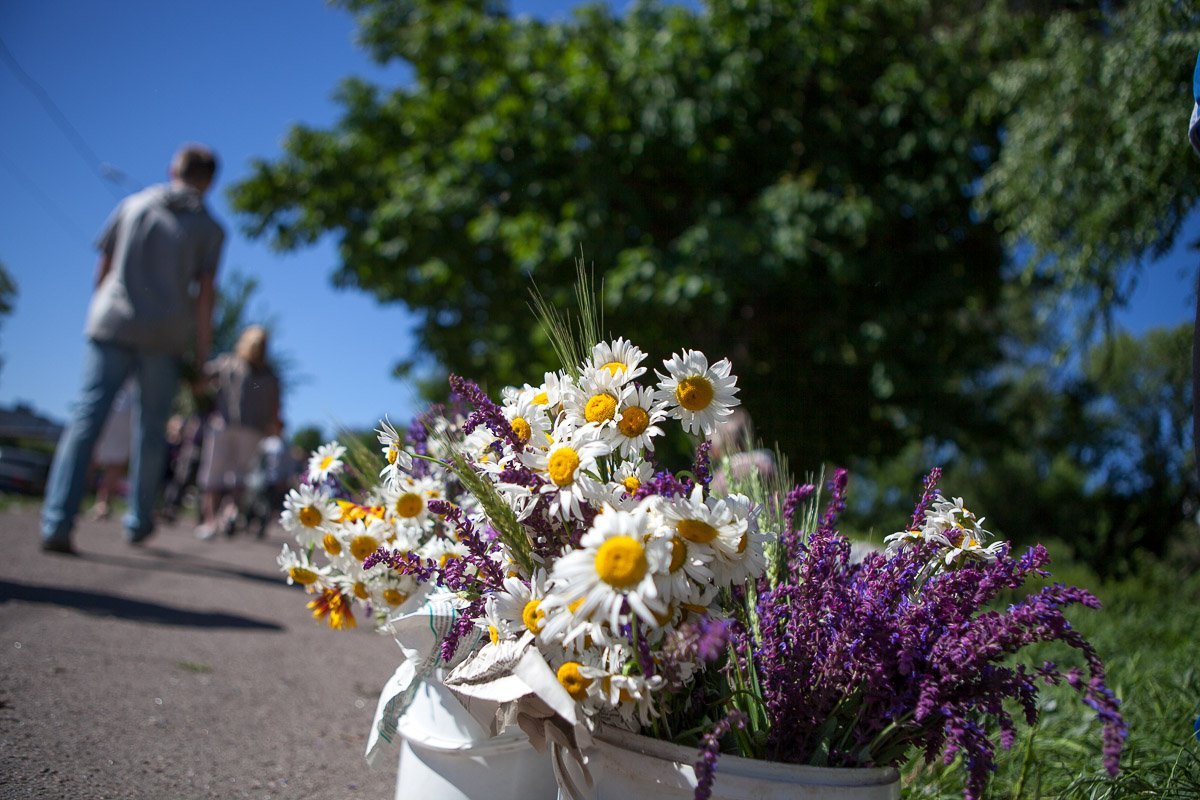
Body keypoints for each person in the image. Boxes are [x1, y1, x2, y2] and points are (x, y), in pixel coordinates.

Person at [40, 144, 224, 554]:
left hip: (112, 322)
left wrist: (99, 312)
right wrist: (201, 355)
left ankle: (57, 520)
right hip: (164, 334)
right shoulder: (210, 229)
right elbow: (205, 295)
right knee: (151, 429)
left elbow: (103, 268)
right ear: (210, 182)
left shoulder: (133, 205)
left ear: (173, 168)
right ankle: (138, 520)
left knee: (87, 418)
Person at [194, 325, 282, 540]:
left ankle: (213, 521)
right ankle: (228, 513)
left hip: (226, 426)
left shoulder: (228, 363)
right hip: (247, 429)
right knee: (236, 475)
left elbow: (201, 380)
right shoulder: (268, 375)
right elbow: (275, 408)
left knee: (217, 474)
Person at [89, 379, 134, 520]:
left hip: (114, 403)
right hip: (126, 406)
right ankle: (102, 503)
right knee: (112, 459)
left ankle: (75, 498)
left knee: (98, 456)